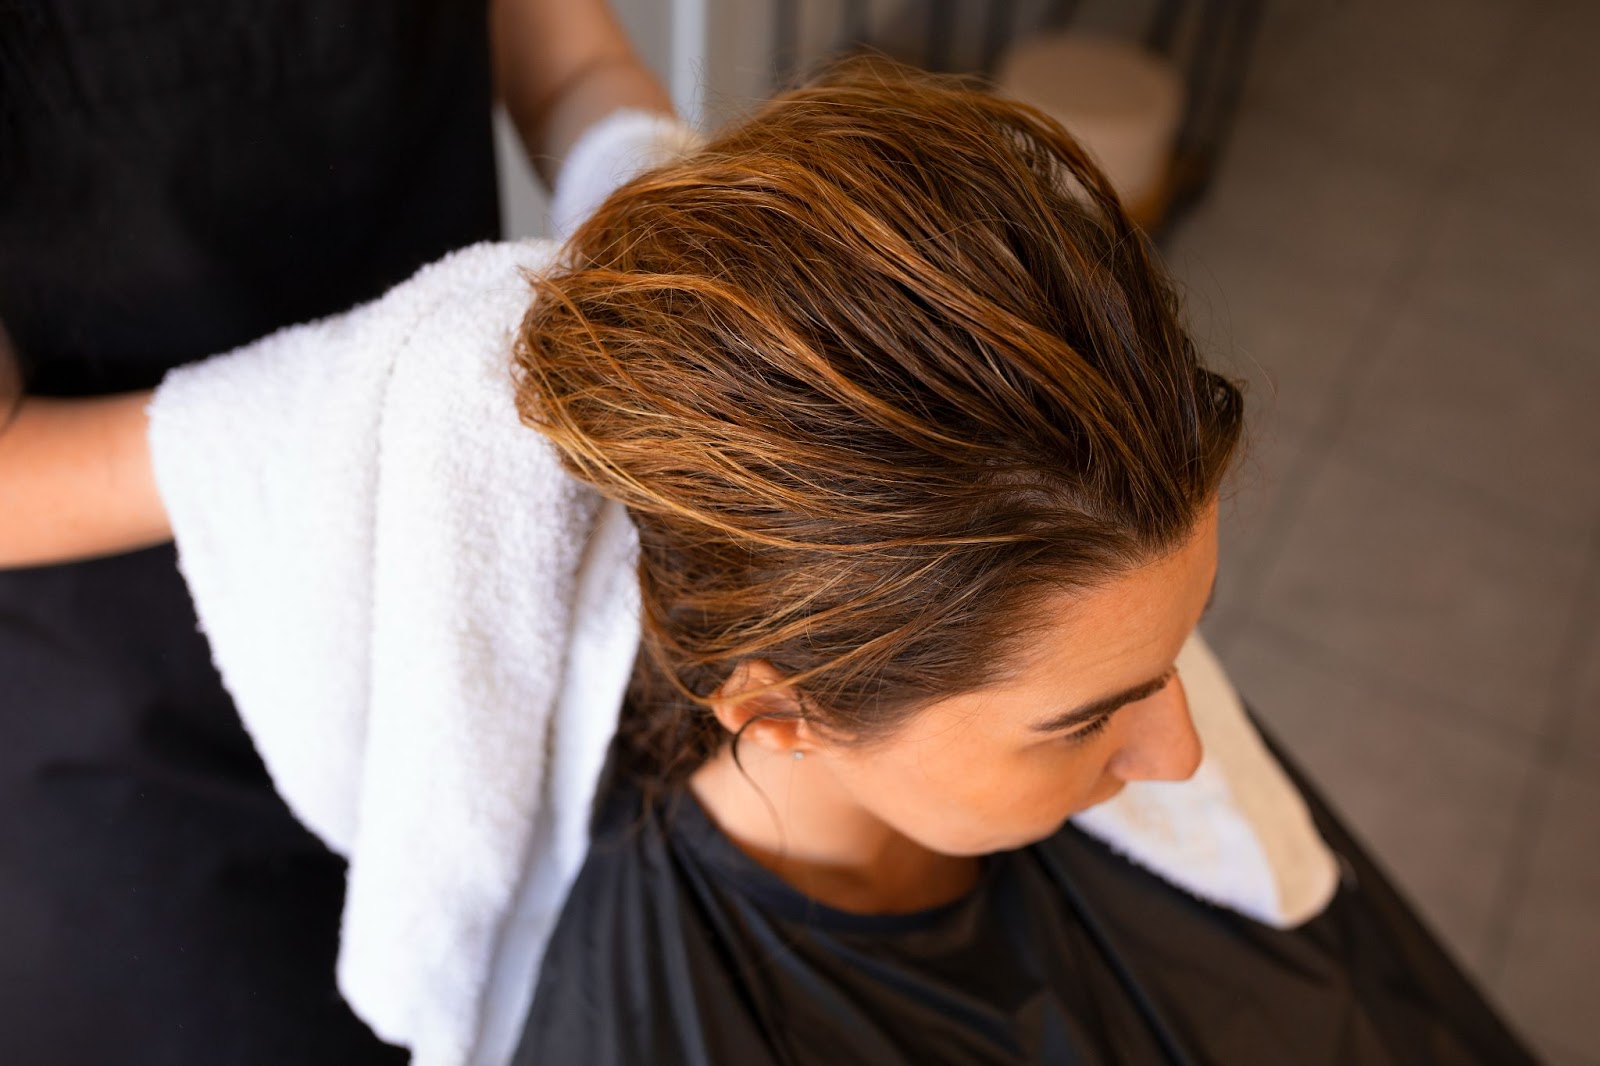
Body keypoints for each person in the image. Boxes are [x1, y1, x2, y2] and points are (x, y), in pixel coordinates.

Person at [503, 64, 1533, 1063]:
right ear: (782, 713)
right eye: (1085, 720)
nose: (1183, 758)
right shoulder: (649, 1016)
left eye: (1186, 643)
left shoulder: (1067, 675)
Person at [0, 2, 668, 1063]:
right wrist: (368, 406)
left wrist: (665, 233)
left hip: (481, 639)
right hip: (136, 749)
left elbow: (576, 63)